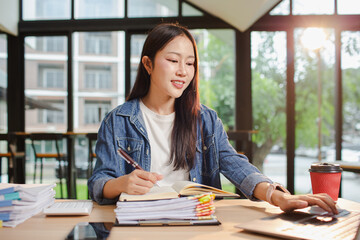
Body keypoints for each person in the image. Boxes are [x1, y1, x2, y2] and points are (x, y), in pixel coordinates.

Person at [88, 22, 338, 215]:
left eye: (190, 63)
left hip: (197, 219)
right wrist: (121, 183)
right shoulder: (117, 120)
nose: (183, 71)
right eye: (173, 60)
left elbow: (233, 163)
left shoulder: (204, 119)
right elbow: (99, 182)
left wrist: (276, 195)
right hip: (140, 221)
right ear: (148, 64)